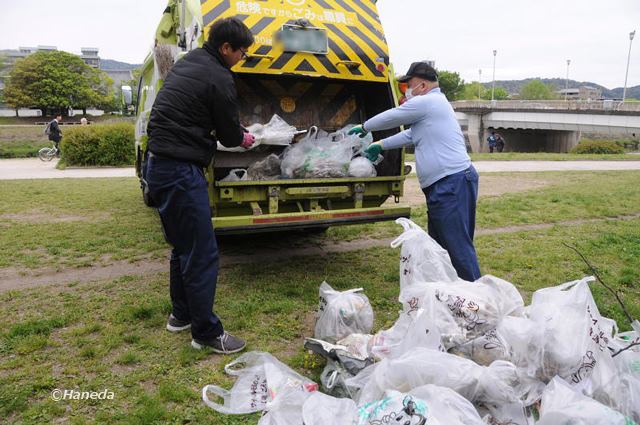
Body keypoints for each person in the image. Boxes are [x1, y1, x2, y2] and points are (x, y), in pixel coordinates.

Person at [145, 17, 255, 354]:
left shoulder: (189, 62)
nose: (242, 58)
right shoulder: (220, 76)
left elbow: (195, 110)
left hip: (158, 164)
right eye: (242, 53)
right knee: (203, 252)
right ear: (226, 48)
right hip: (181, 169)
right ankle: (206, 332)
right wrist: (244, 137)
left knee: (182, 246)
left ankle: (181, 315)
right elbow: (229, 135)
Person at [349, 61, 481, 281]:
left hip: (452, 183)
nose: (406, 91)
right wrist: (380, 145)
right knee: (441, 247)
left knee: (457, 247)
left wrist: (365, 127)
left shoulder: (429, 101)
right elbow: (411, 135)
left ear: (421, 85)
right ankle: (452, 295)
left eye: (407, 85)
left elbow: (394, 115)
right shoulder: (433, 107)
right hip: (446, 185)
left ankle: (478, 301)